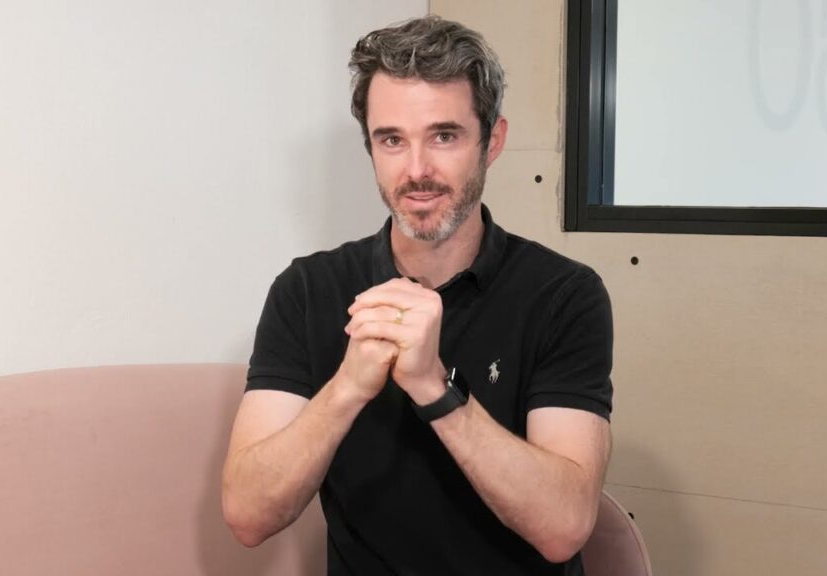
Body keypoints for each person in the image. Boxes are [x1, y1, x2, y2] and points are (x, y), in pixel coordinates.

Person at [222, 15, 613, 576]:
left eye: (444, 136)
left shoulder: (564, 294)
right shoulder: (306, 290)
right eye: (392, 140)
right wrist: (348, 388)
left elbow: (564, 527)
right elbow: (247, 516)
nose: (417, 170)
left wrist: (435, 387)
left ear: (492, 142)